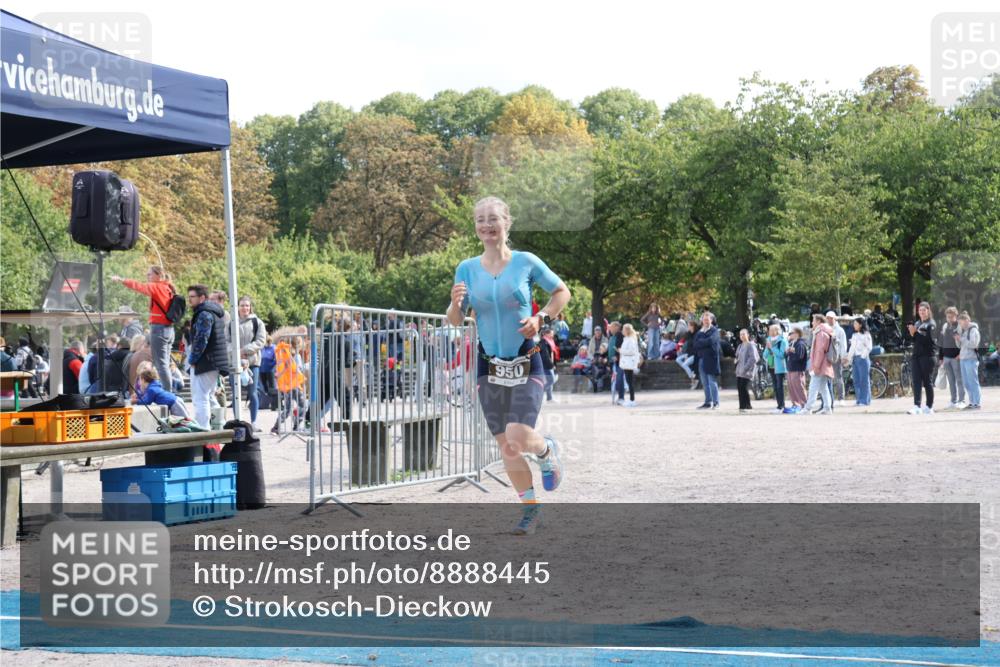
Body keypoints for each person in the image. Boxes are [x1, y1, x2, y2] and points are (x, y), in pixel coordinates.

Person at [448, 195, 570, 536]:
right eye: (480, 220)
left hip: (527, 360)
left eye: (493, 219)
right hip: (489, 365)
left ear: (506, 223)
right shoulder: (466, 268)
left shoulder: (525, 262)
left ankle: (547, 451)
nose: (486, 225)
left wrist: (540, 317)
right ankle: (530, 510)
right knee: (508, 445)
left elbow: (562, 292)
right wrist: (456, 304)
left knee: (518, 435)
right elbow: (456, 320)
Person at [111, 266, 177, 391]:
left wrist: (122, 280)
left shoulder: (157, 287)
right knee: (165, 363)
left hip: (159, 329)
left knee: (161, 364)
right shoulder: (167, 288)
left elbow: (139, 286)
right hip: (169, 329)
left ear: (159, 276)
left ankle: (167, 393)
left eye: (150, 274)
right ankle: (168, 391)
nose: (147, 277)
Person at [186, 284, 230, 429]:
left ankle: (203, 431)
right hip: (214, 361)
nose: (189, 300)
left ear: (202, 298)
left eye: (192, 297)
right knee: (210, 397)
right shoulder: (212, 312)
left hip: (207, 361)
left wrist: (192, 360)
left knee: (201, 398)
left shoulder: (204, 314)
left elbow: (201, 339)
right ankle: (218, 426)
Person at [237, 296, 267, 431]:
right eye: (242, 305)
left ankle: (254, 421)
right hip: (236, 361)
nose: (245, 308)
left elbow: (261, 341)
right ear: (237, 306)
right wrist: (236, 352)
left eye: (247, 305)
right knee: (236, 392)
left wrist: (245, 350)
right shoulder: (231, 323)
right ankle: (237, 420)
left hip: (252, 362)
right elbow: (225, 340)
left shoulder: (257, 322)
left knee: (253, 392)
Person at [800, 313, 834, 415]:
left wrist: (816, 366)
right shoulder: (826, 331)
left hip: (820, 364)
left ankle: (808, 408)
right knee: (823, 387)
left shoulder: (821, 333)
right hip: (825, 364)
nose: (812, 323)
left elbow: (819, 351)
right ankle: (827, 408)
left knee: (813, 387)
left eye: (813, 320)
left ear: (819, 321)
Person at [907, 302, 937, 415]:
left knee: (927, 382)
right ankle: (917, 405)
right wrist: (912, 333)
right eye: (920, 311)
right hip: (916, 356)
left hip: (928, 356)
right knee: (916, 381)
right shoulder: (918, 323)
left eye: (924, 310)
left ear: (928, 311)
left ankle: (929, 406)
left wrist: (916, 333)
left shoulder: (931, 324)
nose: (922, 313)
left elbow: (930, 341)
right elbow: (916, 340)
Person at [692, 311, 721, 409]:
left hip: (711, 360)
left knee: (712, 382)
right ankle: (708, 402)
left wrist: (702, 343)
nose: (705, 321)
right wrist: (705, 343)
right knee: (704, 383)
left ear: (711, 320)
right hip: (701, 360)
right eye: (704, 320)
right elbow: (695, 344)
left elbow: (711, 341)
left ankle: (716, 402)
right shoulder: (700, 332)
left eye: (707, 319)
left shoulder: (714, 331)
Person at [938, 307, 965, 409]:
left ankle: (961, 400)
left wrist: (960, 354)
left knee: (959, 380)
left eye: (951, 316)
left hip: (956, 358)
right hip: (946, 358)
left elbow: (963, 341)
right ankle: (953, 401)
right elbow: (941, 343)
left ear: (956, 316)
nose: (949, 318)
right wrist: (941, 357)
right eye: (948, 316)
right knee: (951, 381)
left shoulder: (959, 327)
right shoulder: (945, 326)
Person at [957, 312, 982, 410]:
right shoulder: (963, 331)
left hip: (971, 359)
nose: (961, 325)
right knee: (966, 382)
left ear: (967, 320)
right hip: (963, 359)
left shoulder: (973, 330)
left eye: (962, 323)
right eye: (959, 323)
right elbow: (960, 346)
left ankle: (977, 402)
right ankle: (972, 402)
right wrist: (957, 339)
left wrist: (961, 339)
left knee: (973, 381)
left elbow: (973, 344)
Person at [846, 317, 873, 407]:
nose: (854, 325)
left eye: (855, 324)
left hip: (863, 359)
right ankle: (859, 399)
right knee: (856, 380)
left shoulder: (866, 334)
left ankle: (864, 400)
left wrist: (862, 356)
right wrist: (848, 358)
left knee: (864, 380)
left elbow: (869, 347)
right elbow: (852, 348)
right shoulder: (854, 335)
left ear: (860, 324)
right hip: (855, 359)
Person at [762, 324, 787, 414]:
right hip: (771, 366)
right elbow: (764, 355)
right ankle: (778, 405)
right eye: (769, 330)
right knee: (775, 387)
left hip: (779, 368)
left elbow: (781, 355)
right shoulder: (768, 340)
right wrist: (768, 349)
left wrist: (771, 348)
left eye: (771, 330)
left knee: (779, 387)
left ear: (777, 331)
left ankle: (782, 406)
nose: (769, 332)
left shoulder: (782, 341)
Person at [734, 328, 759, 413]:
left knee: (744, 388)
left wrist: (745, 367)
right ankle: (742, 406)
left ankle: (747, 406)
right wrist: (736, 361)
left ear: (748, 335)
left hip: (747, 371)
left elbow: (754, 358)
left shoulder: (751, 345)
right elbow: (737, 356)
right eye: (741, 334)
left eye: (744, 334)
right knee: (740, 388)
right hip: (739, 371)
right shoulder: (740, 346)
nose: (742, 336)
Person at [826, 311, 847, 407]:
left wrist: (843, 356)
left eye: (831, 318)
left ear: (835, 318)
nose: (829, 320)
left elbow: (843, 344)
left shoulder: (840, 330)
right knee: (827, 378)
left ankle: (841, 398)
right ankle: (829, 398)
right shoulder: (825, 328)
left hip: (836, 356)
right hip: (826, 356)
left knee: (838, 377)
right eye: (828, 318)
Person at [785, 327, 809, 412]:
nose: (790, 334)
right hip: (791, 368)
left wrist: (793, 351)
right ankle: (795, 404)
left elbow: (800, 356)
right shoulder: (792, 343)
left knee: (799, 387)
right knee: (791, 387)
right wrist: (787, 351)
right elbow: (787, 356)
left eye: (792, 333)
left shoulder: (801, 344)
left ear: (797, 334)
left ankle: (804, 405)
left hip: (798, 369)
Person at [618, 323, 641, 406]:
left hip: (629, 363)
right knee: (628, 381)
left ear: (627, 331)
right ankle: (631, 399)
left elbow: (632, 351)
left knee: (629, 381)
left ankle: (632, 400)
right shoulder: (626, 339)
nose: (622, 331)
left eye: (623, 329)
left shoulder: (631, 340)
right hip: (626, 363)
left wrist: (621, 351)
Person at [539, 327, 559, 402]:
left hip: (550, 364)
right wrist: (551, 365)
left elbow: (553, 353)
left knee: (551, 379)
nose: (552, 335)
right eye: (551, 333)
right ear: (546, 334)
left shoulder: (549, 342)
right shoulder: (543, 342)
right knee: (551, 380)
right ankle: (538, 393)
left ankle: (549, 397)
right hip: (546, 365)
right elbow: (545, 356)